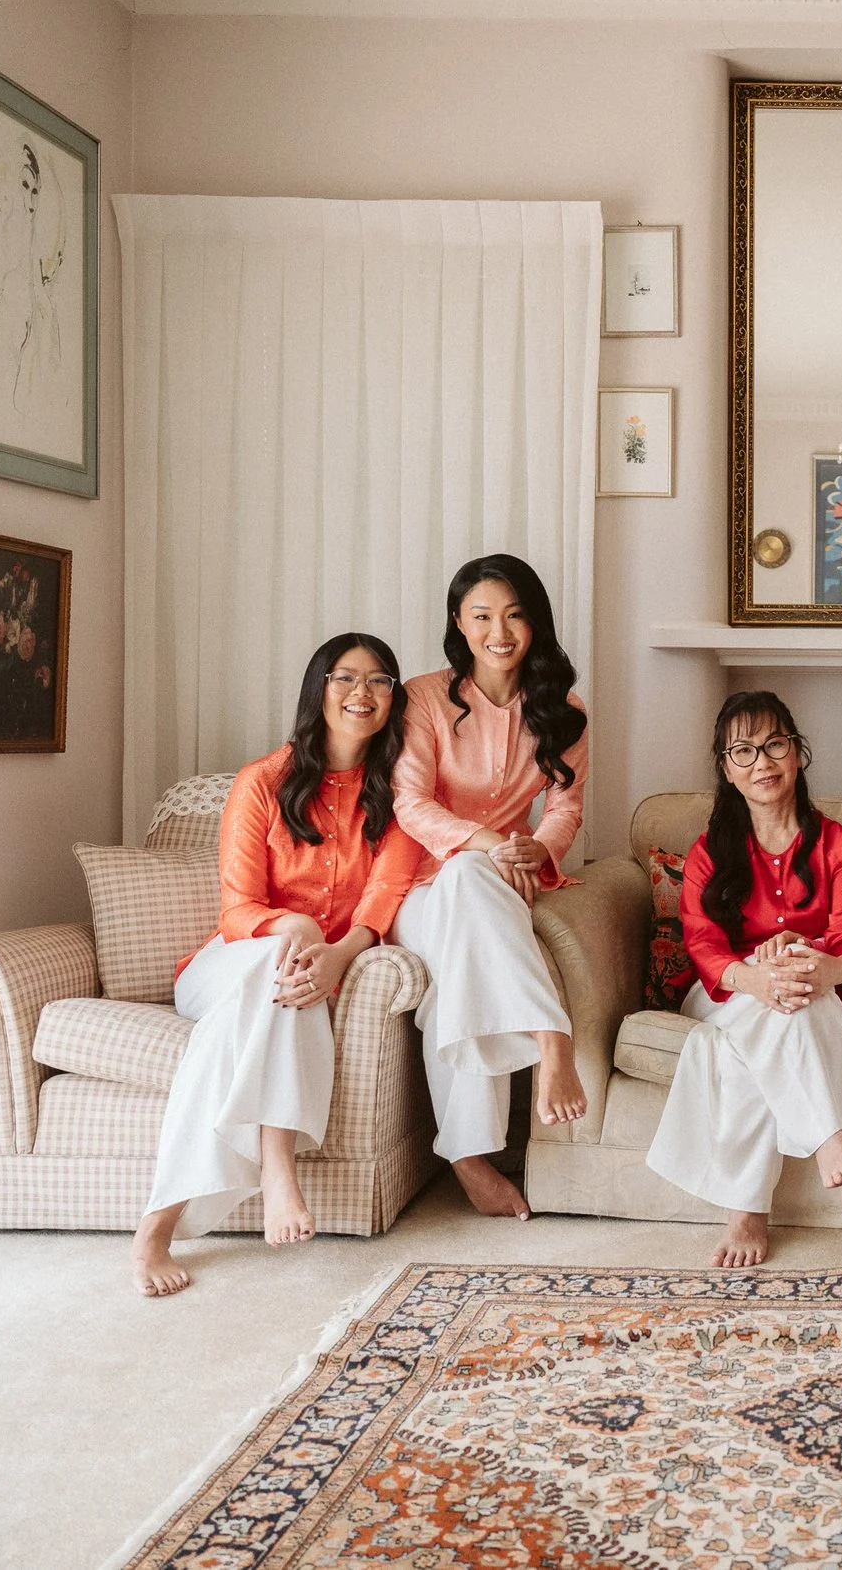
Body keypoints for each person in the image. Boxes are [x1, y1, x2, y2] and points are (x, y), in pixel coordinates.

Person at [133, 634, 424, 1296]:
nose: (361, 693)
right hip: (225, 966)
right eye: (345, 677)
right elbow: (238, 908)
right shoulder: (261, 781)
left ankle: (157, 1225)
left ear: (393, 697)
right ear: (318, 688)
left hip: (307, 972)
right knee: (281, 958)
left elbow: (384, 898)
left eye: (379, 680)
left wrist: (338, 955)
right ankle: (277, 1167)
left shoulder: (401, 795)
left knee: (264, 998)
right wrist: (295, 926)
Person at [645, 691, 842, 1265]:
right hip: (727, 992)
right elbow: (703, 945)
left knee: (783, 997)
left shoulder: (840, 845)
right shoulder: (709, 852)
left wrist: (819, 965)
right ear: (727, 769)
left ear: (797, 753)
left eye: (774, 744)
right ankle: (827, 1138)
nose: (762, 762)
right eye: (742, 751)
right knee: (770, 1004)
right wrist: (757, 980)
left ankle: (747, 1211)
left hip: (812, 987)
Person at [393, 553, 591, 1221]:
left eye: (513, 615)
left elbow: (565, 808)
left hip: (501, 884)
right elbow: (410, 803)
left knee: (462, 970)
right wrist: (491, 845)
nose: (498, 631)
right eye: (481, 616)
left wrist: (540, 848)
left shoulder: (564, 710)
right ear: (459, 621)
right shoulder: (424, 698)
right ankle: (550, 1033)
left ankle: (468, 1156)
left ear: (534, 622)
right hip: (419, 889)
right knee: (466, 874)